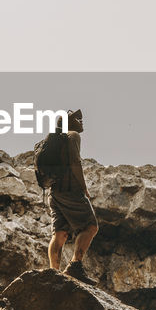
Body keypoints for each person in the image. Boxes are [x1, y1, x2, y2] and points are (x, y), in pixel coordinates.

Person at [47, 108, 98, 282]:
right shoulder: (73, 135)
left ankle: (53, 272)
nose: (81, 121)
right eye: (77, 118)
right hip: (70, 190)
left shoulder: (55, 140)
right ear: (70, 123)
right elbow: (75, 162)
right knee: (90, 227)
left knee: (60, 233)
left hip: (54, 192)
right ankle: (75, 266)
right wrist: (83, 188)